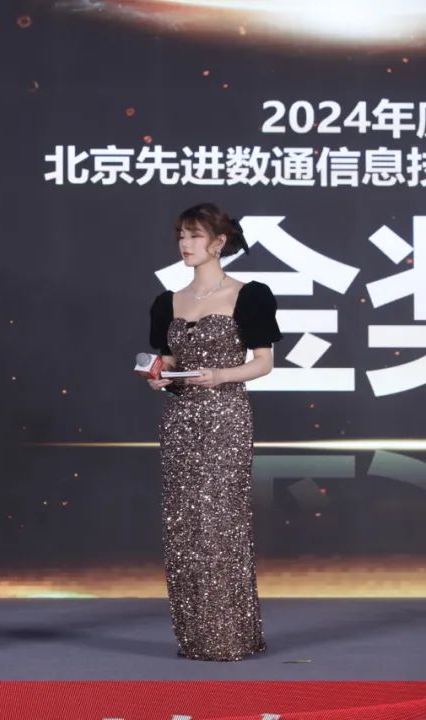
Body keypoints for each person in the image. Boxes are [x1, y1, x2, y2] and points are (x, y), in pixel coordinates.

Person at [146, 203, 282, 661]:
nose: (185, 244)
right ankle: (195, 636)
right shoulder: (167, 301)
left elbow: (263, 363)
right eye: (181, 236)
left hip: (225, 417)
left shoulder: (249, 295)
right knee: (183, 526)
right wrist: (160, 375)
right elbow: (169, 362)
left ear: (219, 243)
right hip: (180, 421)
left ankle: (229, 635)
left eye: (195, 236)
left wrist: (220, 376)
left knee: (220, 523)